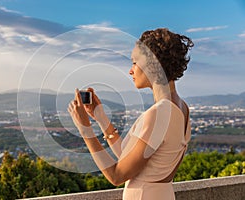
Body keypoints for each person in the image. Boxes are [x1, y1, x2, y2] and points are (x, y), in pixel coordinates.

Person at [68, 28, 193, 199]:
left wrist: (85, 130)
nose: (130, 70)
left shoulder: (160, 113)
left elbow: (116, 175)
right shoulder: (181, 107)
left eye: (134, 62)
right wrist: (101, 118)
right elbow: (129, 157)